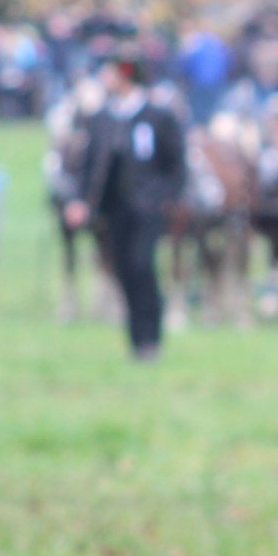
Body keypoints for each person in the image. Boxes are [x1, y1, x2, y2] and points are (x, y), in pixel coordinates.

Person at [64, 51, 187, 361]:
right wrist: (80, 200)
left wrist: (164, 198)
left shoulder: (159, 117)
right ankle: (136, 340)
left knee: (141, 264)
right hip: (114, 210)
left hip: (148, 210)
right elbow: (88, 165)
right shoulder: (103, 118)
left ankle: (151, 337)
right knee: (123, 270)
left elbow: (176, 166)